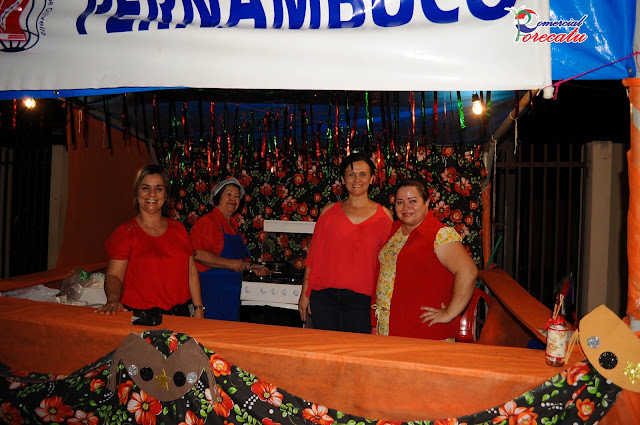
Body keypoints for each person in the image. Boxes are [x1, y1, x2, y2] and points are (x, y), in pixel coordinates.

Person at [298, 152, 393, 333]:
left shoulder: (385, 217)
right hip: (324, 298)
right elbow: (314, 257)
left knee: (356, 349)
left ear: (372, 179)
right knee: (326, 348)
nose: (357, 179)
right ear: (343, 180)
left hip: (364, 300)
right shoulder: (328, 213)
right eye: (351, 174)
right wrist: (305, 294)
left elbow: (389, 264)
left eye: (363, 174)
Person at [373, 178, 478, 340]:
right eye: (400, 202)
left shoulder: (439, 234)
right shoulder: (395, 229)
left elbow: (468, 271)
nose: (406, 207)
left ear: (427, 202)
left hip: (423, 330)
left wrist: (449, 313)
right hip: (391, 327)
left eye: (412, 201)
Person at [97, 164, 204, 318]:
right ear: (136, 194)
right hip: (141, 318)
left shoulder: (179, 229)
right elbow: (114, 276)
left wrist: (198, 308)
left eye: (158, 188)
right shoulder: (125, 232)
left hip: (181, 316)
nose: (152, 194)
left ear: (166, 195)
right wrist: (113, 300)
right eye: (145, 188)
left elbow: (191, 271)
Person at [190, 177, 268, 321]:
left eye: (237, 196)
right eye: (229, 194)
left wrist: (252, 266)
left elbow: (237, 262)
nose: (233, 199)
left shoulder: (233, 226)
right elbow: (197, 254)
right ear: (219, 197)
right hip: (211, 293)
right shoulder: (207, 222)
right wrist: (231, 264)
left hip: (230, 295)